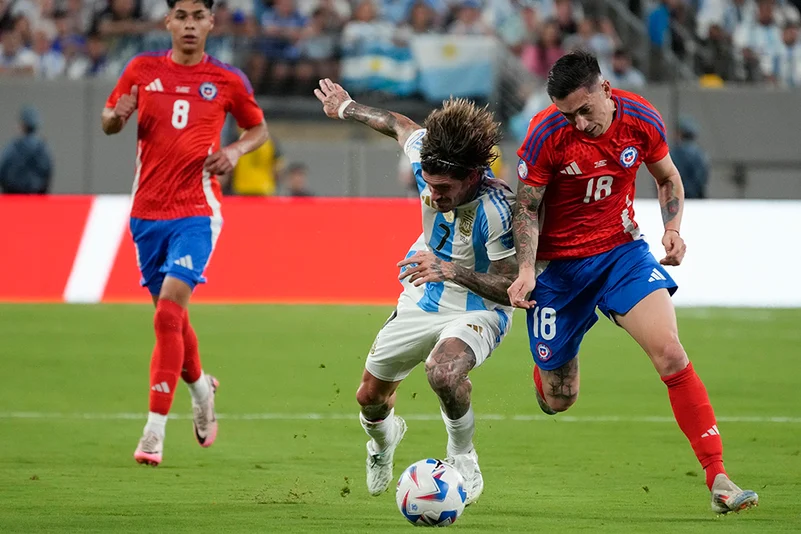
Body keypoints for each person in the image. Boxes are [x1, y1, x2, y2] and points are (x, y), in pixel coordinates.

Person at [508, 51, 758, 514]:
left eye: (585, 110)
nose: (579, 123)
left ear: (606, 89)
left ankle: (718, 477)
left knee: (671, 353)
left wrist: (673, 229)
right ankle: (557, 355)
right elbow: (525, 206)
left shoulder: (641, 117)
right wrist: (525, 271)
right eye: (568, 114)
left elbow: (667, 178)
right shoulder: (546, 132)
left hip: (621, 252)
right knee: (559, 399)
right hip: (559, 270)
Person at [314, 78, 517, 505]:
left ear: (472, 177)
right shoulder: (432, 156)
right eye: (428, 184)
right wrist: (348, 107)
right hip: (425, 293)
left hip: (479, 306)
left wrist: (451, 270)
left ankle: (462, 455)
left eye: (443, 189)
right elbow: (398, 124)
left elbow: (509, 288)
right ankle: (384, 442)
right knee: (369, 397)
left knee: (442, 372)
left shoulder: (498, 210)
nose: (433, 195)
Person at [101, 0, 269, 467]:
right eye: (182, 16)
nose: (190, 24)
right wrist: (119, 115)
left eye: (199, 16)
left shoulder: (227, 79)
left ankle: (153, 432)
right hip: (146, 212)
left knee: (167, 313)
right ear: (168, 22)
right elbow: (109, 120)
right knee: (170, 318)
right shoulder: (141, 68)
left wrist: (235, 152)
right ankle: (201, 389)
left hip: (197, 209)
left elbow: (258, 129)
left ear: (211, 22)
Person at [0, 106, 53, 194]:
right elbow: (47, 174)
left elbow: (2, 171)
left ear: (22, 125)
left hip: (13, 199)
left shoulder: (12, 148)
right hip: (36, 199)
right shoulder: (42, 149)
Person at [670, 115, 710, 199]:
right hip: (695, 201)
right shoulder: (700, 154)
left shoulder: (672, 154)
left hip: (675, 200)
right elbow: (701, 179)